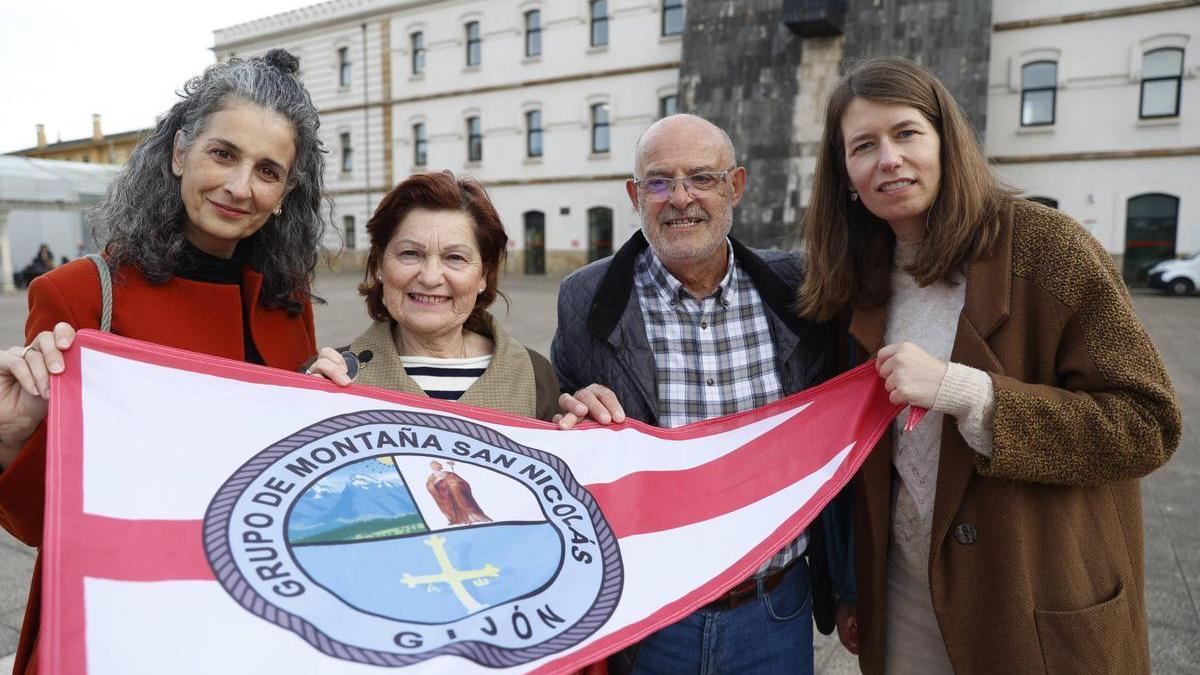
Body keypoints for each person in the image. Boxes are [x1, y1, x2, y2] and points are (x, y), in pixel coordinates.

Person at [798, 56, 1181, 674]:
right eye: (863, 145)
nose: (887, 159)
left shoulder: (1046, 247)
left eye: (905, 133)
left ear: (947, 142)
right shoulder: (854, 281)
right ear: (845, 175)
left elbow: (1149, 424)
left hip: (1033, 600)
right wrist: (853, 584)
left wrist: (967, 392)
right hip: (903, 600)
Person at [0, 48, 328, 675]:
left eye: (267, 170)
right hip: (122, 621)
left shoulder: (286, 302)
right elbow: (39, 520)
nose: (240, 187)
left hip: (250, 621)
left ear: (286, 194)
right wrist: (10, 439)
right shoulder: (76, 293)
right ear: (180, 153)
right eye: (223, 154)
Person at [551, 113, 838, 674]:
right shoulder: (585, 297)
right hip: (648, 617)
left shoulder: (799, 288)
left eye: (702, 178)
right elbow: (562, 428)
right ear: (636, 195)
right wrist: (571, 407)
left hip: (773, 609)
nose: (680, 198)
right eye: (659, 181)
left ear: (736, 186)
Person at [305, 171, 560, 423]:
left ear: (484, 275)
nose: (430, 277)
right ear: (379, 266)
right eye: (410, 253)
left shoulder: (534, 377)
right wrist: (301, 408)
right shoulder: (325, 375)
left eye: (455, 257)